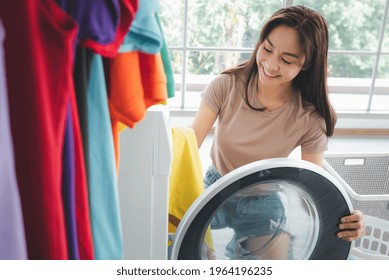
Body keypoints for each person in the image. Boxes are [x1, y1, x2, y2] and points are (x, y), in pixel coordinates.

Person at [191, 5, 365, 259]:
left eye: (286, 59)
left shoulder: (310, 117)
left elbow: (315, 185)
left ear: (307, 63)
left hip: (265, 200)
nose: (270, 64)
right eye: (267, 49)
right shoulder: (226, 85)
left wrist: (349, 219)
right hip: (216, 185)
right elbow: (188, 144)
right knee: (175, 241)